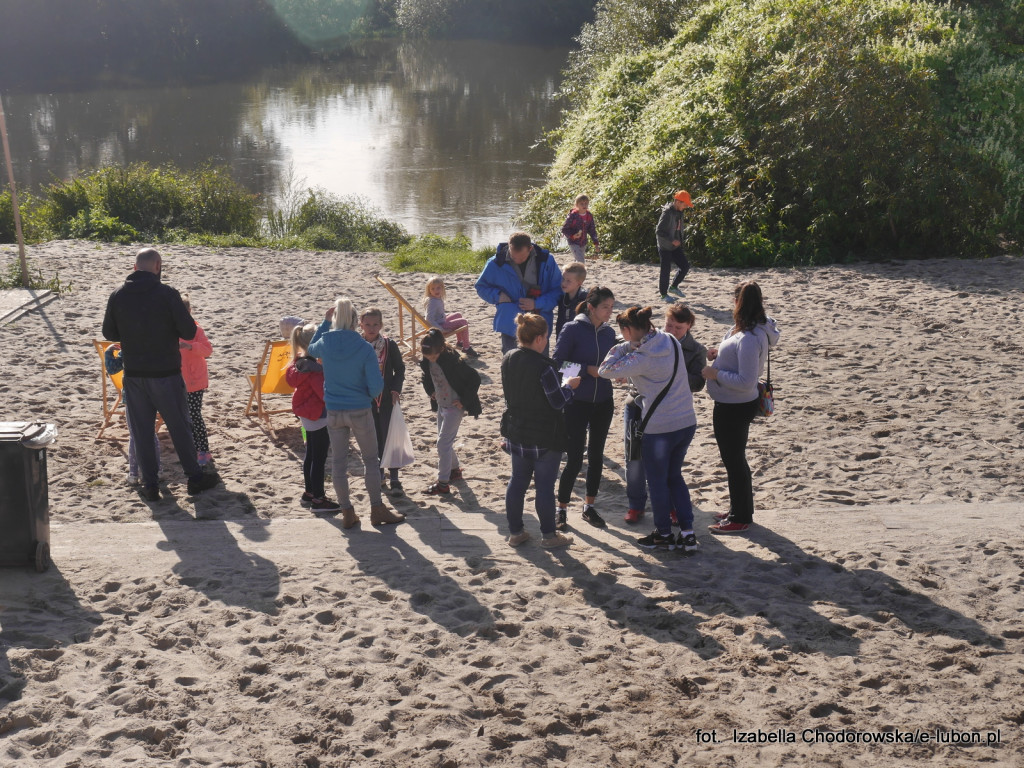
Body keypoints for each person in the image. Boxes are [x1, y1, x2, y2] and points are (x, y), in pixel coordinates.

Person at [102, 247, 220, 502]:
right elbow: (188, 332)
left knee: (142, 432)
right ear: (157, 266)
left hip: (134, 375)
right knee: (180, 426)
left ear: (135, 267)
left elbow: (109, 333)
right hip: (165, 372)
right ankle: (194, 478)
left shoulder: (118, 295)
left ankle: (150, 485)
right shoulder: (167, 294)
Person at [599, 306, 697, 552]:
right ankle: (687, 533)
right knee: (674, 476)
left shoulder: (640, 358)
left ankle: (663, 533)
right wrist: (632, 345)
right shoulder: (670, 339)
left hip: (660, 426)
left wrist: (623, 347)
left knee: (657, 482)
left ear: (628, 330)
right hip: (686, 421)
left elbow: (605, 370)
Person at [308, 297, 405, 529]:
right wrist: (362, 391)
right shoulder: (363, 347)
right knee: (371, 460)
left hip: (334, 410)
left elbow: (310, 348)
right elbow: (376, 387)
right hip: (359, 408)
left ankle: (347, 512)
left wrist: (324, 322)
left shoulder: (325, 342)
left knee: (339, 463)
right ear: (356, 322)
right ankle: (376, 508)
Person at [702, 281, 780, 534]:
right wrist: (719, 355)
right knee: (734, 460)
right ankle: (739, 509)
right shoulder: (748, 329)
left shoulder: (749, 338)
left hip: (735, 406)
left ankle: (741, 516)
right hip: (733, 404)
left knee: (734, 461)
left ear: (738, 303)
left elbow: (747, 380)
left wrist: (715, 375)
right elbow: (734, 353)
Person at [624, 302, 708, 524]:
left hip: (668, 410)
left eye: (678, 328)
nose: (671, 330)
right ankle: (635, 505)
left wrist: (672, 378)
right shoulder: (651, 339)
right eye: (669, 324)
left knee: (667, 469)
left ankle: (670, 511)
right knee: (634, 458)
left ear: (689, 326)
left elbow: (698, 382)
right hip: (637, 403)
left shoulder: (696, 350)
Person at [501, 313, 579, 549]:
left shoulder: (509, 357)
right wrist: (570, 386)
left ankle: (516, 533)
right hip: (544, 435)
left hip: (517, 430)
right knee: (544, 488)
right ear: (539, 338)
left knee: (517, 483)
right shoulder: (544, 366)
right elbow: (557, 401)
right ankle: (549, 536)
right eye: (545, 337)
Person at [553, 286, 617, 529]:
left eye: (612, 306)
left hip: (603, 401)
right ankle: (561, 509)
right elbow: (558, 362)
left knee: (597, 456)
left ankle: (589, 507)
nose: (610, 311)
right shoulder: (572, 328)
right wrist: (586, 370)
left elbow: (614, 361)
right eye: (605, 307)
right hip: (576, 401)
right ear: (591, 307)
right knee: (574, 459)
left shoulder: (610, 333)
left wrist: (619, 372)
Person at [475, 231, 563, 354]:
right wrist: (498, 295)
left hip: (539, 321)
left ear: (530, 249)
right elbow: (481, 287)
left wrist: (536, 303)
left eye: (521, 257)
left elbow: (558, 290)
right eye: (513, 256)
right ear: (509, 247)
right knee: (511, 362)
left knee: (541, 364)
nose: (516, 260)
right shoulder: (495, 263)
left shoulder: (547, 261)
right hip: (510, 322)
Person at [418, 329, 482, 496]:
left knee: (442, 444)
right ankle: (454, 471)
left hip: (455, 407)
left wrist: (464, 401)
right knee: (444, 442)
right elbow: (426, 377)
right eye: (427, 358)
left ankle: (443, 483)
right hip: (441, 404)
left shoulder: (453, 362)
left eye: (433, 357)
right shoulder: (427, 360)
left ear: (440, 350)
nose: (430, 360)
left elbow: (475, 379)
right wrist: (430, 391)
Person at [285, 323, 338, 513]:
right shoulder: (315, 370)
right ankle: (318, 498)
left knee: (310, 454)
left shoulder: (300, 363)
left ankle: (309, 492)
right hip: (317, 415)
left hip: (306, 414)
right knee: (319, 457)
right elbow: (324, 394)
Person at [360, 307, 407, 497]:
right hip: (365, 400)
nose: (372, 328)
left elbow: (400, 369)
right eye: (367, 324)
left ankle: (394, 477)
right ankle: (378, 474)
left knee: (391, 437)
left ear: (381, 325)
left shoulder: (389, 344)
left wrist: (396, 389)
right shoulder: (357, 345)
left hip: (387, 399)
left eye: (375, 324)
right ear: (360, 325)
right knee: (373, 438)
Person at [103, 343, 160, 485]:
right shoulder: (153, 346)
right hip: (152, 394)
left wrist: (109, 352)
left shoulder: (128, 348)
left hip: (132, 395)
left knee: (135, 435)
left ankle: (134, 474)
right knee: (151, 433)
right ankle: (158, 471)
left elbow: (112, 368)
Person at [179, 295, 213, 467]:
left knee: (194, 415)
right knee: (184, 417)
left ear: (189, 311)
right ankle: (193, 448)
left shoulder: (196, 330)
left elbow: (208, 350)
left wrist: (191, 346)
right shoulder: (171, 328)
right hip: (178, 380)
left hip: (195, 380)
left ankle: (204, 451)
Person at [423, 276, 478, 357]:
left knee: (458, 315)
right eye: (433, 289)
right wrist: (441, 330)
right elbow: (429, 319)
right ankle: (466, 348)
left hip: (440, 321)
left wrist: (445, 316)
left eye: (438, 288)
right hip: (439, 326)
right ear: (429, 290)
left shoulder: (435, 298)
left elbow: (437, 314)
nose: (436, 290)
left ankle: (460, 342)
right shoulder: (432, 302)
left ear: (442, 288)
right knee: (464, 322)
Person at [655, 190, 694, 301]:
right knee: (665, 271)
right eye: (685, 204)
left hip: (675, 247)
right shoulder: (667, 213)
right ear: (677, 201)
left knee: (685, 266)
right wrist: (672, 240)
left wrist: (679, 241)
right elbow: (659, 231)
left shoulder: (679, 212)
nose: (686, 206)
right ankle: (663, 295)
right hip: (665, 247)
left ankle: (673, 287)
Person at [555, 261, 588, 340]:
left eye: (568, 281)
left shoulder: (584, 299)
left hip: (577, 337)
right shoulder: (562, 296)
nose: (563, 283)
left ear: (579, 283)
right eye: (563, 278)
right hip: (561, 333)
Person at [561, 194, 599, 261]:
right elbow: (564, 229)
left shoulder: (589, 215)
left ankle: (573, 271)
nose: (584, 205)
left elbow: (592, 230)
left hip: (583, 242)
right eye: (582, 204)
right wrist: (572, 236)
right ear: (577, 205)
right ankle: (581, 271)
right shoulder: (573, 215)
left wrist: (596, 243)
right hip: (573, 242)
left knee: (578, 260)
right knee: (581, 261)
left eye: (586, 203)